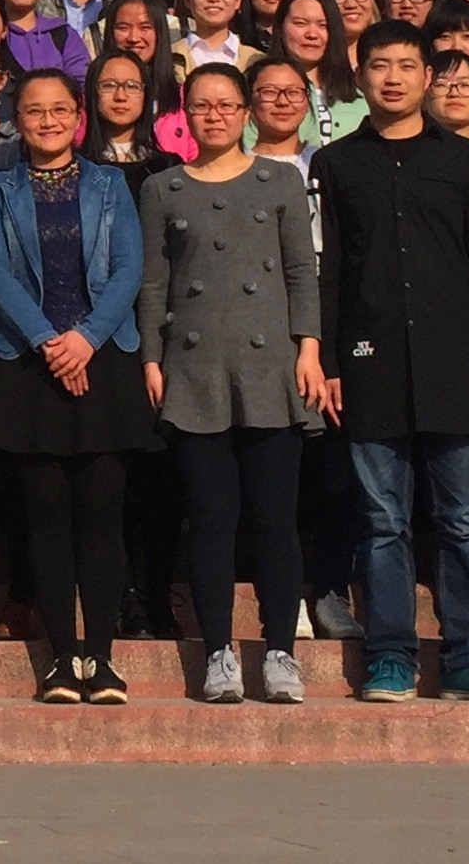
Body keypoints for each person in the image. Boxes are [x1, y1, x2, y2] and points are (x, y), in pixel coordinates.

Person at [312, 21, 469, 704]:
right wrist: (332, 359)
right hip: (369, 366)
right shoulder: (334, 164)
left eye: (407, 65)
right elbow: (326, 270)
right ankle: (390, 657)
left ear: (428, 77)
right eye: (380, 65)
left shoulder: (466, 161)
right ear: (360, 75)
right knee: (383, 524)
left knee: (463, 521)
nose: (393, 78)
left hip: (457, 367)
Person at [138, 63, 326, 706]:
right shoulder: (163, 188)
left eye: (226, 105)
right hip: (195, 369)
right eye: (201, 106)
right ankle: (217, 650)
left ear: (246, 112)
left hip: (272, 367)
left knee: (275, 520)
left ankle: (280, 651)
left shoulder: (281, 180)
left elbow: (301, 271)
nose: (214, 116)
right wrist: (152, 358)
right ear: (183, 116)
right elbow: (155, 282)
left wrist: (309, 348)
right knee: (211, 518)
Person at [0, 69, 151, 704]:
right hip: (29, 364)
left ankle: (100, 656)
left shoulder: (110, 184)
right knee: (45, 517)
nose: (47, 121)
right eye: (33, 111)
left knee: (102, 515)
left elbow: (129, 267)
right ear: (16, 120)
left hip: (102, 362)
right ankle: (60, 658)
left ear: (78, 116)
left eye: (58, 110)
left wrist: (85, 339)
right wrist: (50, 341)